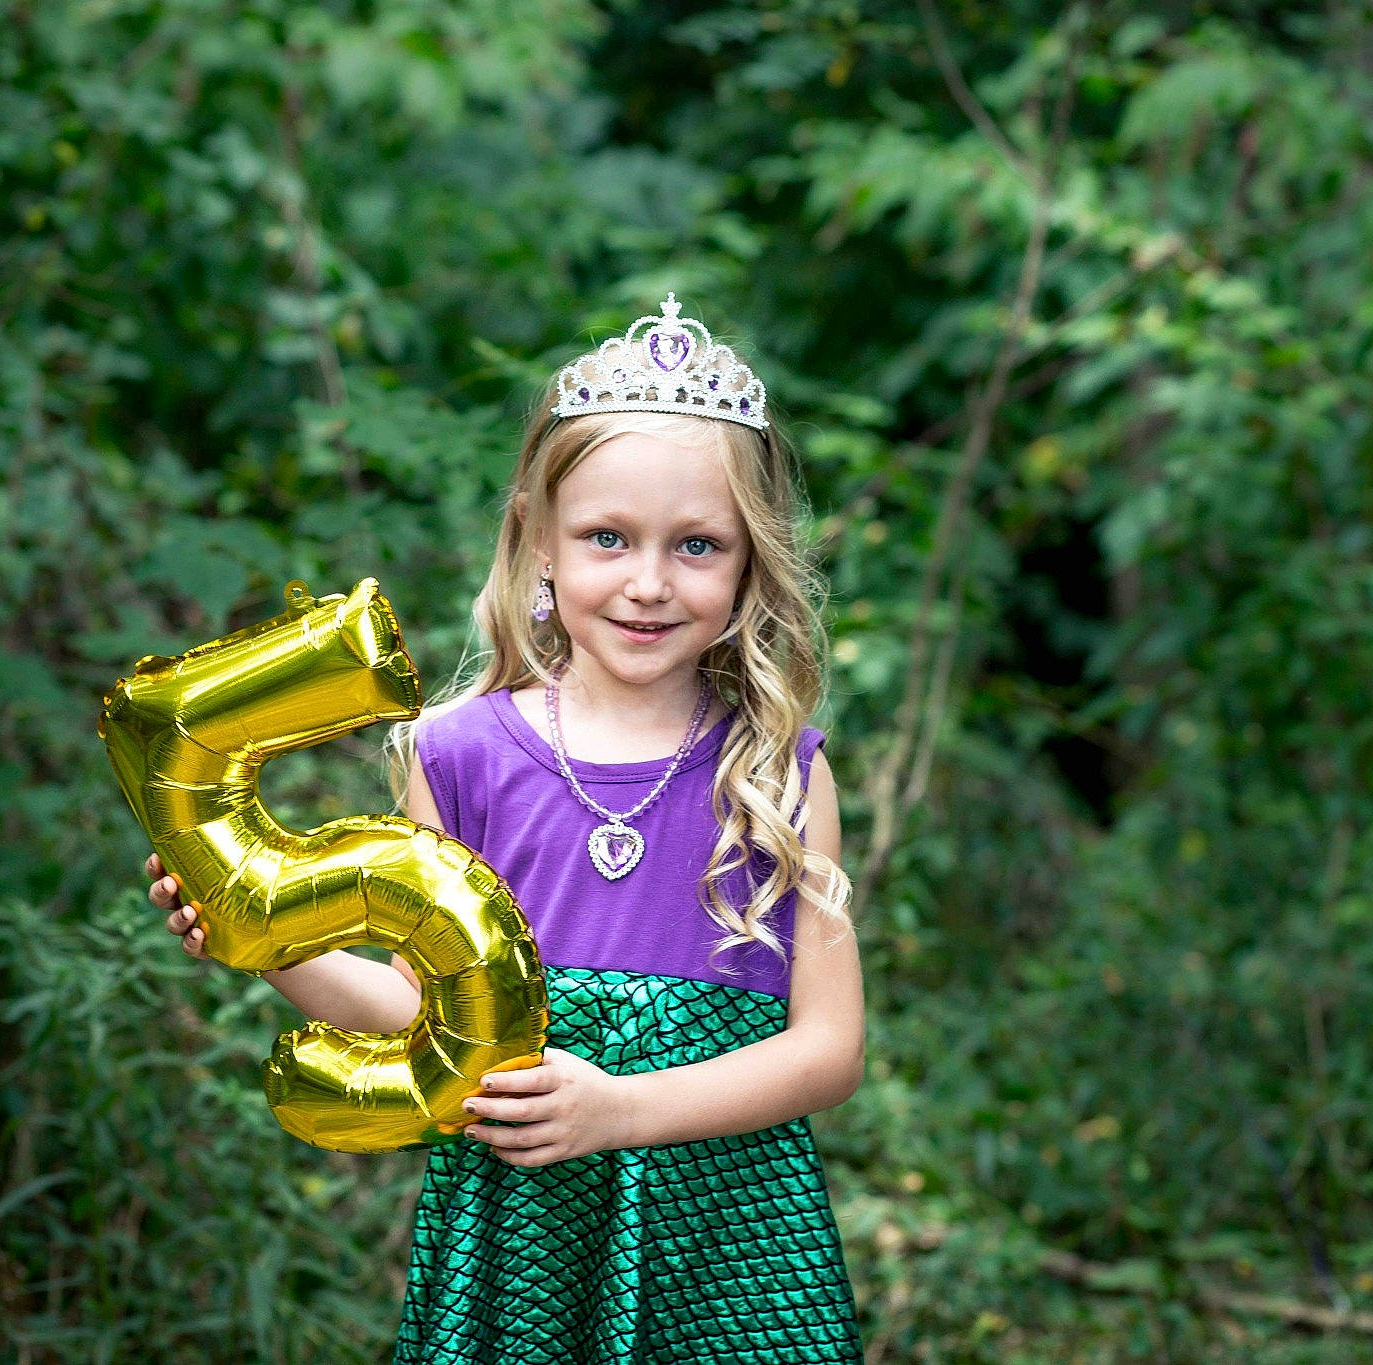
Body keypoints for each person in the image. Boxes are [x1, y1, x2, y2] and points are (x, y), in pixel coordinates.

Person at [146, 293, 866, 1362]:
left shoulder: (777, 770)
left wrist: (621, 1112)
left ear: (749, 563)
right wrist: (268, 940)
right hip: (525, 1231)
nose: (648, 583)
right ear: (538, 539)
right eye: (607, 537)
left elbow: (828, 1050)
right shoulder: (460, 756)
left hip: (728, 1239)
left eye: (698, 545)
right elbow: (415, 1011)